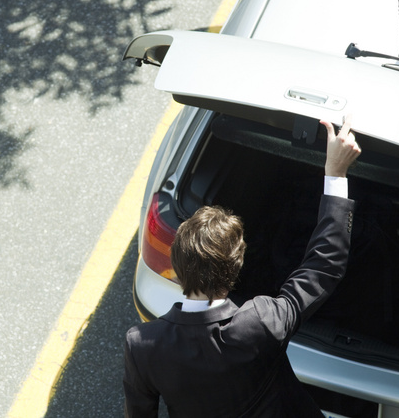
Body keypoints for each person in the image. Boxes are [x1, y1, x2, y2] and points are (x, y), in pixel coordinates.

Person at [123, 116, 361, 417]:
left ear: (178, 265)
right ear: (237, 265)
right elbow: (325, 264)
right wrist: (335, 172)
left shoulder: (144, 346)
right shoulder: (260, 324)